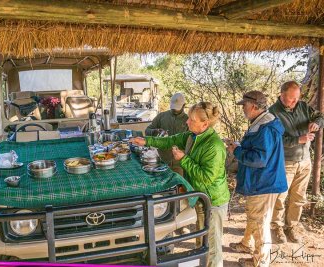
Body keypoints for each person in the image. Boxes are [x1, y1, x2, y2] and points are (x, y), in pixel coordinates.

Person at [131, 101, 230, 267]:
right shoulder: (192, 136)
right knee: (202, 240)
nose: (187, 122)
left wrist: (183, 159)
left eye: (192, 120)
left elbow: (206, 178)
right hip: (200, 197)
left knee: (212, 247)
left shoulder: (214, 146)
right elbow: (170, 140)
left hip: (213, 201)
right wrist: (146, 141)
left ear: (205, 124)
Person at [227, 91, 288, 267]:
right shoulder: (261, 122)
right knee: (254, 216)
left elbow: (259, 159)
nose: (243, 109)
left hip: (264, 183)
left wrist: (237, 151)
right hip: (261, 182)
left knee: (261, 223)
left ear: (253, 106)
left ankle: (260, 262)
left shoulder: (265, 128)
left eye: (244, 105)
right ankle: (247, 244)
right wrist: (240, 146)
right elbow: (259, 150)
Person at [269, 81, 324, 243]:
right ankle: (276, 227)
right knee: (280, 196)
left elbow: (320, 116)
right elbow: (274, 139)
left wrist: (316, 123)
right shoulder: (273, 113)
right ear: (281, 95)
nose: (294, 102)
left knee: (299, 197)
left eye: (296, 98)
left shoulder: (303, 106)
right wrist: (297, 139)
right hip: (285, 162)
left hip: (305, 160)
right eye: (291, 99)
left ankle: (292, 227)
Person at [145, 92, 188, 175]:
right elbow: (147, 131)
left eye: (177, 108)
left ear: (184, 105)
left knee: (178, 185)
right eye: (173, 107)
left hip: (179, 164)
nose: (175, 110)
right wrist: (154, 131)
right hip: (161, 160)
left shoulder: (188, 120)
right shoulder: (161, 116)